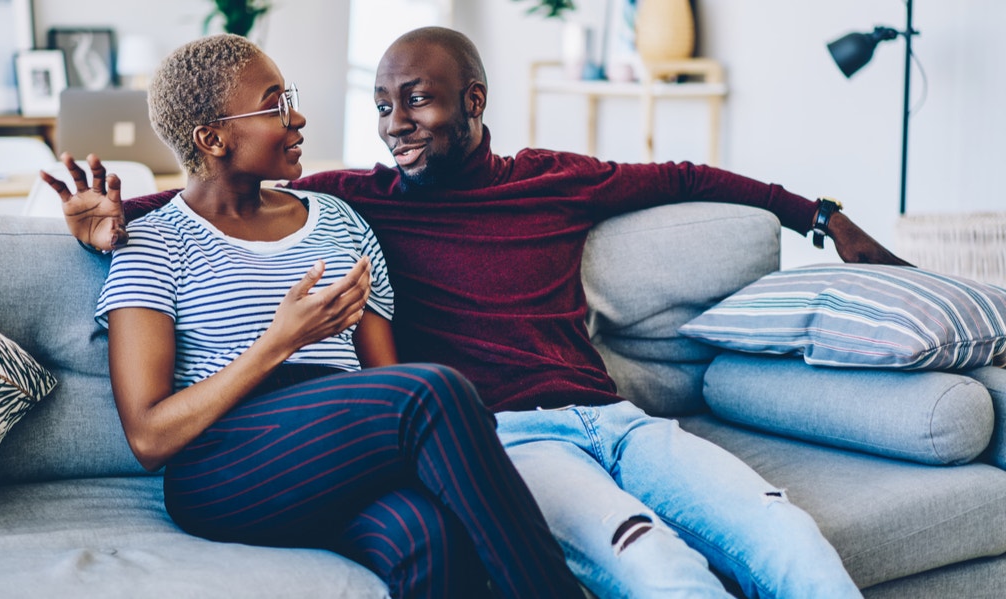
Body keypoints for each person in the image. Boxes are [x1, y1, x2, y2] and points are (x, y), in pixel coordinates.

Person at [49, 27, 910, 599]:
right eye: (381, 106)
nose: (390, 126)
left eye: (412, 101)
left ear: (475, 100)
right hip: (372, 444)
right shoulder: (192, 232)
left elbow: (686, 175)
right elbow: (210, 210)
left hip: (579, 420)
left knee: (435, 542)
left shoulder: (358, 216)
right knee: (629, 541)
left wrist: (821, 214)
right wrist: (130, 222)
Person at [72, 33, 586, 599]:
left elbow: (382, 381)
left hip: (335, 452)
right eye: (274, 104)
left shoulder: (339, 221)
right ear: (212, 138)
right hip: (222, 468)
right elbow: (148, 436)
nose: (298, 116)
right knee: (432, 391)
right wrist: (280, 341)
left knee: (432, 538)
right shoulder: (152, 245)